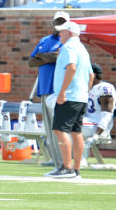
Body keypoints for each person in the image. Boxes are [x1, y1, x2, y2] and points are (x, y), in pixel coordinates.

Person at [46, 20, 93, 179]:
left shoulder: (68, 47)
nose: (59, 34)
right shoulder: (83, 49)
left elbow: (71, 67)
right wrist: (85, 92)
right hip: (81, 97)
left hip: (69, 96)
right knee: (76, 131)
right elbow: (91, 75)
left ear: (70, 33)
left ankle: (67, 167)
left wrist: (62, 92)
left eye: (62, 31)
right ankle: (76, 169)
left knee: (59, 130)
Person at [28, 11, 69, 168]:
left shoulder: (67, 40)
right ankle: (54, 158)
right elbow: (31, 62)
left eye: (62, 21)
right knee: (49, 127)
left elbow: (57, 58)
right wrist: (48, 56)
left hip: (58, 89)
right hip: (44, 88)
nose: (59, 24)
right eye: (57, 21)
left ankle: (63, 160)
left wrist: (42, 56)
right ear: (53, 22)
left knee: (59, 126)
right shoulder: (45, 40)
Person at [82, 63, 116, 160]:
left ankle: (80, 159)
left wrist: (96, 135)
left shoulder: (104, 88)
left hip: (99, 126)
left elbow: (106, 115)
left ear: (93, 75)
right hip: (88, 123)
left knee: (73, 125)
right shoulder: (88, 88)